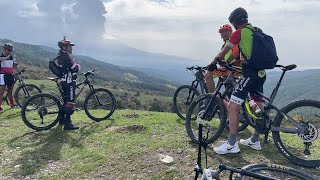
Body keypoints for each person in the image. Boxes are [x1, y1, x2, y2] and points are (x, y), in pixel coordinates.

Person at [212, 7, 267, 154]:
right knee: (258, 103)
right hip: (261, 73)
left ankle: (231, 144)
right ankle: (255, 139)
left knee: (232, 105)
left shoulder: (239, 33)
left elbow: (223, 53)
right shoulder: (256, 30)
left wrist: (214, 62)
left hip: (249, 74)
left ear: (235, 22)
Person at [205, 24, 242, 94]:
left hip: (233, 69)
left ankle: (212, 97)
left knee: (207, 75)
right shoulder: (226, 43)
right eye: (222, 32)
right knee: (224, 87)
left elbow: (236, 53)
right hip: (233, 68)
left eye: (226, 31)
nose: (224, 33)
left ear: (231, 32)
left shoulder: (232, 41)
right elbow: (221, 57)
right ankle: (219, 100)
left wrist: (227, 62)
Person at [55, 37, 80, 130]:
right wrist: (77, 65)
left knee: (65, 102)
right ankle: (68, 124)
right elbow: (75, 68)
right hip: (68, 82)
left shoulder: (60, 55)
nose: (71, 48)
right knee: (70, 102)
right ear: (64, 47)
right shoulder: (65, 57)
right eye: (69, 46)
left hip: (63, 81)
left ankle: (61, 120)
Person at [0, 43, 18, 113]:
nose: (10, 52)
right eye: (9, 50)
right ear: (4, 49)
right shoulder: (1, 55)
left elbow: (13, 67)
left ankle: (12, 104)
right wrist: (6, 57)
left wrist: (15, 65)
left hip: (10, 75)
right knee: (1, 91)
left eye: (11, 50)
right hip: (2, 75)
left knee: (10, 91)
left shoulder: (11, 57)